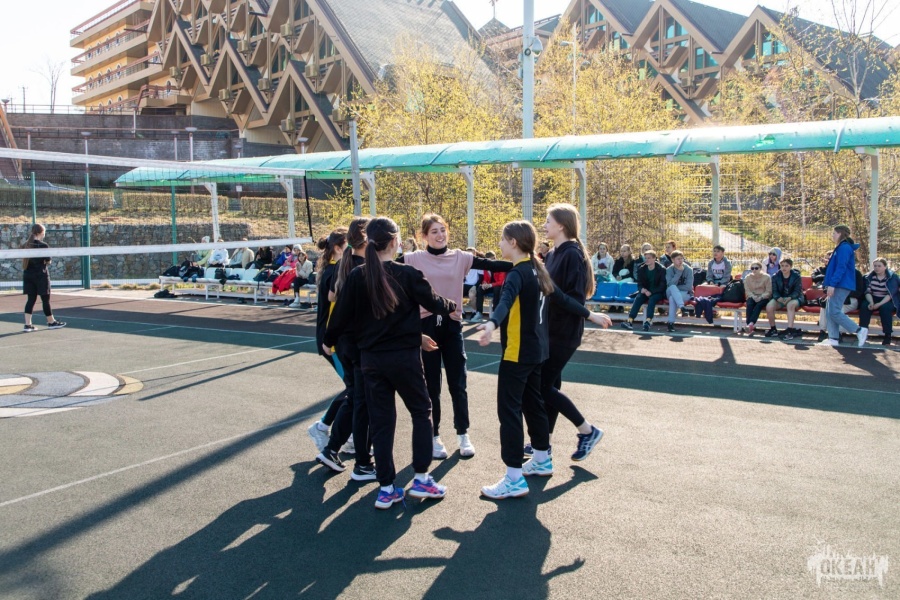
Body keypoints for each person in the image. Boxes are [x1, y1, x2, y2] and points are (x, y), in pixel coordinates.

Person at [324, 217, 456, 509]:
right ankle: (421, 478)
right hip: (404, 359)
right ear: (395, 241)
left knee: (382, 423)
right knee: (421, 412)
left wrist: (328, 339)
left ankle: (386, 488)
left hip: (372, 361)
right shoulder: (407, 274)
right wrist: (452, 305)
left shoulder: (359, 276)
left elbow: (340, 316)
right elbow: (435, 303)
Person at [401, 214, 514, 459]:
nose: (440, 235)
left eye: (443, 230)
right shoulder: (412, 258)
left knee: (458, 384)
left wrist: (524, 263)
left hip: (452, 326)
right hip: (425, 328)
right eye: (434, 231)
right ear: (424, 236)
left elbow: (492, 265)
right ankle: (434, 436)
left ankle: (463, 433)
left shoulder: (460, 257)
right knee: (431, 386)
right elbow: (383, 266)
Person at [536, 204, 611, 463]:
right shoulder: (553, 253)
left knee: (541, 386)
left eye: (548, 221)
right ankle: (543, 444)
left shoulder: (572, 255)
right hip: (549, 331)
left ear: (561, 225)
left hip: (564, 333)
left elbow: (572, 298)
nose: (544, 225)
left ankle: (587, 430)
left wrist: (590, 315)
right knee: (551, 386)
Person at [316, 217, 377, 480]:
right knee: (363, 401)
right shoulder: (361, 268)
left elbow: (334, 299)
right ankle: (361, 461)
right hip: (357, 343)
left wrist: (329, 339)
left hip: (345, 341)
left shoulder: (345, 264)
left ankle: (333, 448)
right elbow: (341, 305)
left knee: (355, 397)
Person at [307, 228, 350, 451]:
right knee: (354, 388)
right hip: (331, 342)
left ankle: (350, 435)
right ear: (338, 248)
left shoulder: (336, 269)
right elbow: (334, 300)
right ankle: (322, 426)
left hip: (338, 340)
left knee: (356, 388)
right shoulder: (334, 272)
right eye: (349, 245)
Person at [818, 225, 868, 347]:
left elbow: (841, 267)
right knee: (829, 311)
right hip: (838, 283)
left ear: (840, 233)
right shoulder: (841, 247)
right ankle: (833, 338)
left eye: (834, 233)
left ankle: (859, 330)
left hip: (841, 284)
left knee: (834, 311)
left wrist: (832, 284)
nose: (832, 236)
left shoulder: (844, 248)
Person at [21, 224, 66, 332]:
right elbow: (48, 260)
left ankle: (27, 325)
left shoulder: (25, 245)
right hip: (41, 275)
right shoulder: (43, 245)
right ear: (41, 233)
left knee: (30, 299)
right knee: (45, 300)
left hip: (28, 275)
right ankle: (51, 322)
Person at [622, 249, 666, 332]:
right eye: (645, 258)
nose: (646, 260)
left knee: (652, 299)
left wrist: (651, 292)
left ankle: (648, 321)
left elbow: (662, 285)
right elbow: (639, 283)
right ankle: (630, 321)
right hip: (645, 291)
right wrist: (642, 289)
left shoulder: (661, 269)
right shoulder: (641, 268)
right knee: (638, 298)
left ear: (654, 258)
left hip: (657, 292)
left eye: (649, 258)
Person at [859, 258, 900, 346]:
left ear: (885, 267)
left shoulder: (892, 277)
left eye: (879, 266)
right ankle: (863, 333)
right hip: (872, 297)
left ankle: (887, 335)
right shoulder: (868, 277)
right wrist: (871, 302)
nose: (876, 268)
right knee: (864, 306)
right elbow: (867, 291)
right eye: (875, 266)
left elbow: (891, 294)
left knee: (885, 309)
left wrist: (879, 304)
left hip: (888, 299)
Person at [763, 258, 803, 339]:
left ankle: (790, 330)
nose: (784, 268)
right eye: (782, 266)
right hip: (780, 298)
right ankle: (773, 329)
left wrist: (790, 297)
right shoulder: (775, 276)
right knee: (769, 306)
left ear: (791, 266)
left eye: (786, 266)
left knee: (790, 305)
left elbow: (797, 291)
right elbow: (774, 290)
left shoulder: (796, 276)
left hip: (794, 298)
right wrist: (778, 298)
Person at [665, 250, 694, 332]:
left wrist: (676, 289)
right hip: (670, 291)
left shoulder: (689, 270)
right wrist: (679, 272)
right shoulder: (669, 270)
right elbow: (669, 285)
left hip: (685, 293)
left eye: (682, 258)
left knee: (672, 298)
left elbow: (689, 287)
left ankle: (670, 323)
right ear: (672, 260)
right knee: (672, 287)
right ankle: (682, 307)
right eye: (678, 259)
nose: (681, 261)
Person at [742, 260, 772, 335]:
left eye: (756, 268)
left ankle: (750, 324)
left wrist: (761, 297)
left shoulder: (767, 277)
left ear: (760, 268)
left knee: (758, 305)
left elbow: (769, 291)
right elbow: (747, 290)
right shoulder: (747, 278)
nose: (754, 270)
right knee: (749, 304)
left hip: (764, 297)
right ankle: (750, 325)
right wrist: (753, 296)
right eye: (752, 268)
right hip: (752, 296)